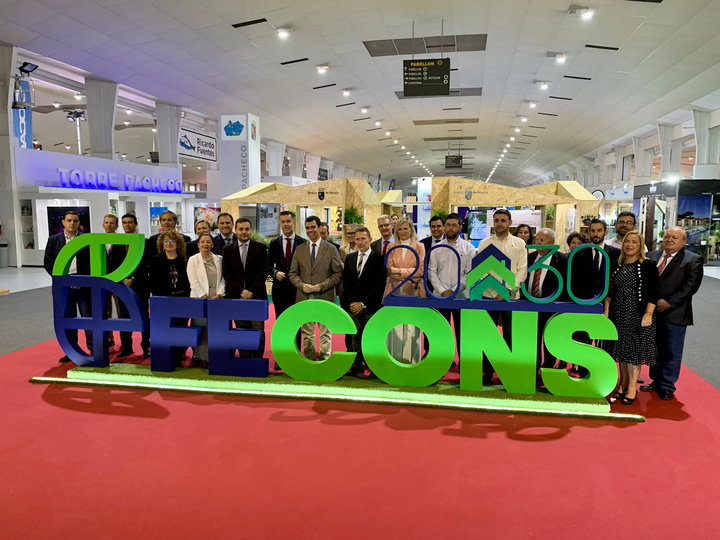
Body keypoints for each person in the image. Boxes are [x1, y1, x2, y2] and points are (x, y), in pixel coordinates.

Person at [641, 227, 704, 400]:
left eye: (675, 237)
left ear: (683, 241)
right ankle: (655, 381)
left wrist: (667, 302)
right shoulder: (651, 256)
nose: (669, 240)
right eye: (667, 236)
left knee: (671, 351)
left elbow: (690, 287)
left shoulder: (693, 260)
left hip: (675, 313)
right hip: (651, 312)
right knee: (654, 348)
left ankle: (667, 385)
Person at [602, 230, 659, 405]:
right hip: (618, 314)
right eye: (627, 241)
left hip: (637, 314)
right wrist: (606, 310)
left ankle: (632, 387)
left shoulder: (648, 266)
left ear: (640, 246)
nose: (630, 245)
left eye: (634, 242)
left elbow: (654, 292)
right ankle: (623, 383)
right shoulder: (615, 264)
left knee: (633, 352)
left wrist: (648, 313)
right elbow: (610, 292)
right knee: (621, 351)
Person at [477, 209, 528, 384]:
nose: (500, 223)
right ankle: (488, 372)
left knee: (510, 336)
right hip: (488, 295)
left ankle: (509, 373)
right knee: (488, 336)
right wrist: (496, 289)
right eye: (497, 220)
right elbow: (481, 271)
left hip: (512, 298)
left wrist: (506, 290)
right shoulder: (484, 244)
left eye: (503, 220)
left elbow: (522, 271)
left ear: (510, 222)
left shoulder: (519, 243)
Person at [567, 220, 620, 377]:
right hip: (584, 305)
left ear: (605, 232)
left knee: (605, 340)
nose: (595, 234)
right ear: (588, 233)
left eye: (599, 230)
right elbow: (574, 280)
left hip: (608, 305)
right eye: (592, 231)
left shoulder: (615, 253)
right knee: (584, 339)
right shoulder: (579, 253)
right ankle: (584, 371)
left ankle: (601, 373)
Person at [289, 215, 343, 361]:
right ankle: (310, 360)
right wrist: (301, 285)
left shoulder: (331, 249)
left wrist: (322, 285)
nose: (310, 230)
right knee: (307, 333)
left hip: (325, 296)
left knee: (325, 332)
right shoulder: (300, 249)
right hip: (304, 298)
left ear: (320, 228)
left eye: (313, 227)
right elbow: (293, 273)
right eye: (307, 228)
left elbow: (337, 274)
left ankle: (325, 360)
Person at [43, 210, 92, 363]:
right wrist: (62, 280)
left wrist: (80, 279)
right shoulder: (53, 240)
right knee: (68, 319)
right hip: (63, 287)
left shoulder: (86, 240)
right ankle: (71, 351)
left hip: (82, 285)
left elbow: (91, 263)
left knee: (88, 318)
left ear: (79, 223)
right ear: (63, 222)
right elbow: (48, 262)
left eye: (75, 220)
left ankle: (93, 350)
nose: (72, 223)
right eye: (69, 220)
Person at [428, 212, 475, 364]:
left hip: (461, 298)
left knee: (463, 333)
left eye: (454, 225)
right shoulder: (437, 248)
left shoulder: (469, 248)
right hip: (440, 297)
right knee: (441, 332)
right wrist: (442, 291)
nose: (450, 228)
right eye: (447, 225)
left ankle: (464, 364)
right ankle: (441, 364)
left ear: (460, 227)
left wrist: (454, 290)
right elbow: (431, 272)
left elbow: (470, 274)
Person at [341, 227, 386, 375]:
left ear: (370, 240)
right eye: (357, 239)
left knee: (370, 337)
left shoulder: (379, 259)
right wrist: (354, 303)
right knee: (355, 337)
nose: (360, 242)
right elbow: (346, 282)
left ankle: (373, 367)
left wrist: (363, 304)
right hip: (353, 306)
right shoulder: (350, 258)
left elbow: (379, 285)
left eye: (363, 239)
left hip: (371, 307)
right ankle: (357, 366)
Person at [523, 229, 567, 377]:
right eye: (537, 240)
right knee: (531, 342)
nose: (538, 243)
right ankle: (533, 370)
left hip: (551, 310)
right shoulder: (529, 258)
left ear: (552, 243)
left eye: (543, 240)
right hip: (530, 309)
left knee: (549, 343)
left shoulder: (562, 260)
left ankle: (547, 370)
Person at [222, 218, 269, 357]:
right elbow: (227, 274)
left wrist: (250, 291)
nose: (244, 232)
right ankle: (245, 357)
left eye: (247, 229)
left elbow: (263, 272)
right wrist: (241, 291)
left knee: (257, 329)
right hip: (237, 297)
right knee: (241, 329)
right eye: (241, 229)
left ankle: (257, 358)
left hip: (257, 297)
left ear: (251, 230)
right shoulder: (228, 250)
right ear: (235, 231)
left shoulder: (260, 248)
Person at [384, 217, 426, 364]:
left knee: (411, 328)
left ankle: (411, 361)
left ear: (411, 230)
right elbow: (389, 270)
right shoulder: (391, 246)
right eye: (400, 229)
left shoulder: (419, 246)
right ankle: (395, 361)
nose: (403, 231)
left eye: (406, 228)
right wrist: (406, 272)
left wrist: (398, 271)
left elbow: (420, 271)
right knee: (394, 327)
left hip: (413, 291)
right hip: (393, 290)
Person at [268, 211, 306, 366]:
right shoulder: (274, 243)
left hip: (297, 291)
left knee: (297, 323)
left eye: (288, 221)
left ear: (294, 223)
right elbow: (268, 265)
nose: (286, 224)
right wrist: (275, 272)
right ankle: (282, 356)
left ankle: (296, 354)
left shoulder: (303, 243)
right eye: (283, 221)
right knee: (281, 323)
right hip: (279, 291)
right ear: (280, 224)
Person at [149, 230, 191, 366]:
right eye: (165, 241)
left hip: (182, 300)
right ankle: (167, 356)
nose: (168, 244)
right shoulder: (156, 260)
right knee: (165, 329)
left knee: (181, 328)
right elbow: (153, 282)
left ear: (178, 244)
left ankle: (179, 356)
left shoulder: (185, 260)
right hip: (164, 302)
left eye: (172, 241)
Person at [115, 213, 151, 359]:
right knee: (124, 317)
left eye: (130, 222)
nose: (127, 225)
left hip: (140, 285)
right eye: (124, 223)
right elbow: (114, 263)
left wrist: (133, 279)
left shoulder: (144, 242)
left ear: (136, 224)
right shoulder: (118, 243)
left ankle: (145, 346)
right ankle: (127, 347)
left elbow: (147, 264)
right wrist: (121, 279)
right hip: (122, 286)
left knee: (143, 316)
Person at [187, 232, 225, 367]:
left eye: (208, 242)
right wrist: (205, 297)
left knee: (216, 328)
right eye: (202, 242)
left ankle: (216, 355)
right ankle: (201, 357)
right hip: (199, 299)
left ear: (212, 244)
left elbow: (223, 280)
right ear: (198, 244)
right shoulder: (193, 259)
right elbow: (193, 282)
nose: (205, 244)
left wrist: (219, 295)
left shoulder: (219, 259)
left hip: (217, 299)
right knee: (201, 328)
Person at [102, 214, 122, 348]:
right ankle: (109, 338)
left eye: (112, 223)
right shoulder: (98, 241)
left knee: (121, 310)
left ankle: (124, 339)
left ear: (116, 226)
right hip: (102, 280)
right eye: (106, 222)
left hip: (118, 279)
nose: (109, 225)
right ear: (103, 224)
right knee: (105, 310)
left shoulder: (121, 240)